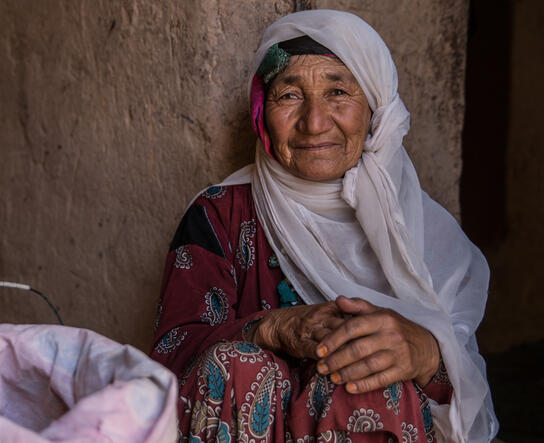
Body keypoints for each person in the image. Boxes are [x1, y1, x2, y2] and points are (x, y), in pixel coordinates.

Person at [151, 9, 498, 443]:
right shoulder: (220, 214)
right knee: (239, 364)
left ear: (376, 110)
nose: (314, 122)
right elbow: (168, 359)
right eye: (290, 95)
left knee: (371, 373)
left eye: (338, 91)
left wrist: (425, 352)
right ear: (262, 114)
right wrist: (271, 328)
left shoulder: (421, 229)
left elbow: (463, 387)